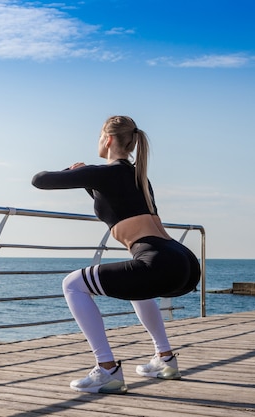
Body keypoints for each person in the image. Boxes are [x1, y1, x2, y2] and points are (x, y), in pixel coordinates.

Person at [31, 115, 200, 394]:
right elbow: (115, 204)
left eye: (99, 136)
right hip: (183, 261)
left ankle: (107, 370)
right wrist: (88, 177)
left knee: (72, 284)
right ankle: (165, 359)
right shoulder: (138, 176)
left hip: (158, 261)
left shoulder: (105, 172)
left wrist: (76, 171)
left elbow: (40, 180)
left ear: (107, 139)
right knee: (138, 287)